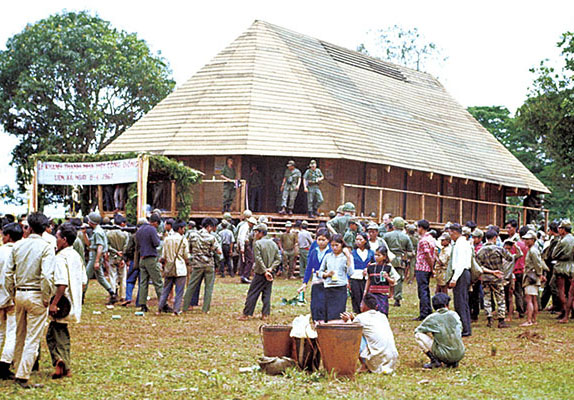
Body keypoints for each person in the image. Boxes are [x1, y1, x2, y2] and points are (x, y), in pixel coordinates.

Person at [5, 212, 55, 389]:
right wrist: (47, 296)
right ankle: (22, 375)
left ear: (29, 227)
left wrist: (12, 292)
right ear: (45, 229)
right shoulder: (47, 247)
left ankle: (17, 367)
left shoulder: (18, 246)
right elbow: (47, 276)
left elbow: (8, 273)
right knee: (32, 338)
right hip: (36, 295)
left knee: (20, 334)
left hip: (19, 293)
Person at [47, 223, 87, 379]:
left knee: (57, 333)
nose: (55, 240)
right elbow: (83, 281)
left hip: (62, 302)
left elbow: (62, 283)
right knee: (56, 332)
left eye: (57, 237)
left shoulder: (60, 258)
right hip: (73, 301)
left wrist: (54, 303)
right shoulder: (76, 256)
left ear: (64, 240)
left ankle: (62, 362)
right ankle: (61, 361)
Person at [340, 293, 398, 374]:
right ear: (376, 307)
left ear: (364, 306)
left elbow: (350, 330)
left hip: (377, 360)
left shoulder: (360, 318)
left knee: (355, 335)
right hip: (391, 359)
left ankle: (364, 365)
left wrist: (348, 320)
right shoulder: (382, 316)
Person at [476, 229, 521, 328]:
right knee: (500, 298)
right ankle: (501, 320)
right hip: (498, 277)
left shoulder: (480, 251)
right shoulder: (499, 249)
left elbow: (478, 266)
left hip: (485, 277)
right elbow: (510, 258)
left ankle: (489, 318)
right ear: (495, 237)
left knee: (487, 298)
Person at [239, 223, 281, 320]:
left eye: (256, 232)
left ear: (261, 233)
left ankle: (246, 314)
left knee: (252, 293)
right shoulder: (273, 244)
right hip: (270, 273)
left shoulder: (257, 244)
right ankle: (265, 314)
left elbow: (258, 259)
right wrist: (271, 269)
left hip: (260, 273)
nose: (255, 234)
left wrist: (265, 271)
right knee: (267, 293)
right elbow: (278, 259)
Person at [415, 293, 465, 369]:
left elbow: (418, 330)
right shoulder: (454, 314)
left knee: (418, 335)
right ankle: (454, 362)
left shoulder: (432, 318)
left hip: (443, 354)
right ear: (446, 305)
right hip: (460, 353)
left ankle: (434, 361)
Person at [183, 218, 221, 313]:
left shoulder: (192, 236)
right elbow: (219, 251)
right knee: (208, 287)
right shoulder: (211, 238)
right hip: (209, 264)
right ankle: (205, 309)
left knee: (191, 285)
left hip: (197, 264)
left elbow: (189, 249)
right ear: (209, 226)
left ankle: (185, 306)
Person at [0, 222, 23, 380]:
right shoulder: (20, 252)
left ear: (7, 236)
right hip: (13, 297)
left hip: (0, 296)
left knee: (1, 332)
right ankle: (5, 363)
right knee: (12, 332)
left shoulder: (0, 251)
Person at [298, 229, 332, 322]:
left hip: (328, 279)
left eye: (323, 240)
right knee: (316, 301)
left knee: (325, 300)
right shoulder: (314, 251)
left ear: (328, 240)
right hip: (316, 279)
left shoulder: (331, 252)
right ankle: (316, 320)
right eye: (319, 239)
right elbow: (309, 267)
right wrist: (305, 282)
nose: (321, 242)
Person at [319, 235, 354, 322]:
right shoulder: (328, 256)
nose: (334, 248)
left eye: (336, 245)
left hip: (340, 287)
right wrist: (327, 274)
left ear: (341, 245)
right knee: (328, 313)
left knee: (338, 314)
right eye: (332, 245)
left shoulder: (346, 257)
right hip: (328, 287)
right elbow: (320, 272)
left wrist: (348, 257)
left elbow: (350, 272)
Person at [84, 212, 117, 305]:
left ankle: (81, 295)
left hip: (95, 256)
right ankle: (112, 293)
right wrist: (84, 234)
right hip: (94, 254)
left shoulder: (98, 232)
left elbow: (100, 247)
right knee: (100, 277)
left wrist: (97, 261)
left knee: (86, 276)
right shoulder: (96, 231)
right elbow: (89, 244)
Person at [158, 221, 190, 315]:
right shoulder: (183, 240)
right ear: (180, 228)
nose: (184, 230)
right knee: (179, 291)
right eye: (183, 228)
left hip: (169, 267)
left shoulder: (167, 239)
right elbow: (186, 255)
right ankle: (176, 310)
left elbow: (163, 255)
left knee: (166, 290)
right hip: (180, 268)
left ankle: (159, 309)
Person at [447, 223, 472, 337]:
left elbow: (460, 263)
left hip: (461, 273)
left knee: (460, 302)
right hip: (462, 273)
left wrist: (454, 278)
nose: (450, 235)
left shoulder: (461, 244)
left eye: (450, 233)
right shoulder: (461, 243)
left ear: (455, 232)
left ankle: (465, 329)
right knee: (462, 301)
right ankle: (465, 326)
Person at [135, 214, 162, 312]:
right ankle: (163, 303)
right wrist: (159, 237)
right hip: (151, 257)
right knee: (158, 281)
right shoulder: (152, 229)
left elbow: (137, 244)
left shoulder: (140, 230)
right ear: (155, 222)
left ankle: (142, 304)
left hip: (142, 258)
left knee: (143, 282)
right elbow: (156, 243)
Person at [383, 217, 414, 307]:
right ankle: (397, 298)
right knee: (399, 279)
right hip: (400, 260)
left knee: (385, 276)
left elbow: (382, 247)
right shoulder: (406, 237)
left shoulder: (387, 235)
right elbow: (410, 251)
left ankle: (384, 295)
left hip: (388, 259)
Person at [521, 231, 548, 326]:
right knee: (534, 299)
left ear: (533, 240)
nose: (526, 241)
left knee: (529, 299)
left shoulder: (533, 251)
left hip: (531, 276)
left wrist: (540, 274)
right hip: (534, 275)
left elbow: (537, 264)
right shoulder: (533, 250)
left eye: (528, 239)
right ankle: (534, 319)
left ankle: (529, 320)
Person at [364, 244, 399, 316]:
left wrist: (387, 278)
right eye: (375, 255)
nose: (376, 257)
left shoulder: (388, 267)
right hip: (372, 293)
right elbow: (369, 280)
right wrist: (365, 291)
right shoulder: (371, 267)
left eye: (378, 255)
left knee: (382, 312)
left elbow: (394, 281)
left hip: (383, 294)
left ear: (384, 256)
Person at [552, 219, 574, 322]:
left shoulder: (563, 241)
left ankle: (565, 312)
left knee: (561, 290)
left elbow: (554, 255)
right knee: (571, 292)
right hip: (571, 266)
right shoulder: (573, 239)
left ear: (563, 229)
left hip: (561, 266)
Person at [414, 220, 436, 321]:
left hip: (422, 268)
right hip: (426, 268)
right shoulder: (431, 239)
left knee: (422, 291)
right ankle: (428, 310)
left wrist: (432, 268)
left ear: (421, 228)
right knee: (425, 290)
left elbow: (427, 255)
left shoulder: (423, 241)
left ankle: (424, 313)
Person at [506, 220, 527, 318]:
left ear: (515, 229)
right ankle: (524, 309)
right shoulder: (524, 243)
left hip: (516, 270)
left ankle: (521, 310)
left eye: (509, 228)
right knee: (522, 291)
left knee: (516, 292)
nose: (507, 230)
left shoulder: (514, 244)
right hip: (522, 269)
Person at [349, 233, 374, 314]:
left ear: (365, 241)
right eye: (357, 240)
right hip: (355, 276)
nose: (358, 242)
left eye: (360, 240)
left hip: (367, 278)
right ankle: (357, 311)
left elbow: (375, 263)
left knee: (366, 295)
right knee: (356, 296)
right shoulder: (352, 253)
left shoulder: (371, 252)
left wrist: (368, 269)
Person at [106, 215, 129, 302]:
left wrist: (115, 251)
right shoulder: (125, 234)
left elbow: (107, 246)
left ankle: (113, 294)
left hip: (112, 257)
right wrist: (121, 255)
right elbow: (126, 247)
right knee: (123, 277)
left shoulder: (108, 233)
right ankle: (123, 295)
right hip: (121, 258)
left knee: (112, 277)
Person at [541, 222, 561, 312]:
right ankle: (544, 304)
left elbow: (551, 254)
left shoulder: (556, 240)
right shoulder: (554, 240)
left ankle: (556, 305)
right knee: (549, 286)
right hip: (551, 264)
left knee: (552, 285)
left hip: (553, 265)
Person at [237, 215, 257, 284]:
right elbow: (242, 238)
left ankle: (244, 275)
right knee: (250, 260)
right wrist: (242, 247)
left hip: (244, 244)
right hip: (245, 244)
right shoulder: (245, 227)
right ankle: (245, 275)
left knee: (244, 261)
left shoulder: (245, 227)